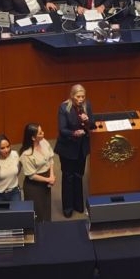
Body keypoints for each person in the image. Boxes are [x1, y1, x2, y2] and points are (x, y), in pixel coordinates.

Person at [56, 84, 92, 218]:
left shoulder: (87, 105)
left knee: (79, 176)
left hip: (81, 148)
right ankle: (68, 207)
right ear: (72, 96)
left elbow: (93, 124)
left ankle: (78, 204)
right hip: (68, 148)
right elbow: (62, 129)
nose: (81, 99)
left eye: (83, 96)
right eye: (78, 96)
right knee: (68, 177)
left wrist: (88, 120)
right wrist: (74, 133)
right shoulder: (64, 107)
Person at [18, 122, 55, 224]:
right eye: (40, 133)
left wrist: (51, 175)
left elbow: (50, 159)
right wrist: (48, 179)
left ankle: (47, 230)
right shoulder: (26, 154)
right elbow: (31, 175)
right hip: (34, 185)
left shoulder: (44, 142)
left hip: (46, 179)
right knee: (37, 211)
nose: (43, 133)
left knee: (46, 208)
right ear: (33, 138)